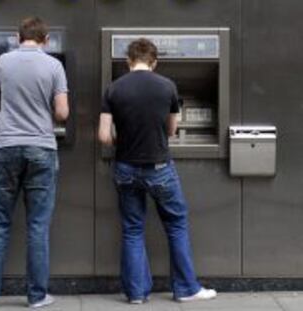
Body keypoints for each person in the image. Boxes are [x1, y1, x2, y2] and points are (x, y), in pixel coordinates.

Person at [98, 38, 217, 303]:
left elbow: (104, 136)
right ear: (154, 62)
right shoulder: (168, 86)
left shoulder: (113, 89)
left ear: (129, 61)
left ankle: (137, 294)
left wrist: (123, 139)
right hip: (159, 167)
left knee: (132, 229)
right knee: (176, 224)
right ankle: (186, 289)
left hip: (126, 167)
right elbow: (172, 130)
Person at [0, 17, 69, 308]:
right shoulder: (55, 65)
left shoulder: (3, 60)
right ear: (46, 39)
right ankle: (37, 296)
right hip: (41, 147)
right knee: (38, 226)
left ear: (18, 37)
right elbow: (62, 113)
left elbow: (1, 92)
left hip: (7, 147)